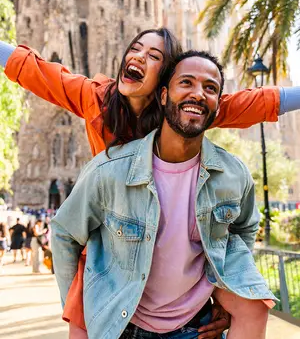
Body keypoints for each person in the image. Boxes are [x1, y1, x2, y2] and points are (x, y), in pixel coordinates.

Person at [0, 28, 299, 337]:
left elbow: (248, 103)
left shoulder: (179, 113)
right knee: (82, 315)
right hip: (115, 240)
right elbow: (42, 75)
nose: (139, 57)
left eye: (154, 56)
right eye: (136, 49)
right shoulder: (100, 100)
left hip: (168, 255)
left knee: (249, 302)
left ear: (166, 81)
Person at [51, 50, 277, 339]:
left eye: (210, 88)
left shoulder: (233, 175)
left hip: (196, 328)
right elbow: (64, 233)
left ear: (217, 106)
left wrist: (228, 290)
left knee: (257, 306)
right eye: (186, 83)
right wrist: (80, 314)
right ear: (162, 96)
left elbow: (245, 228)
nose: (198, 94)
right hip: (123, 328)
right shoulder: (110, 171)